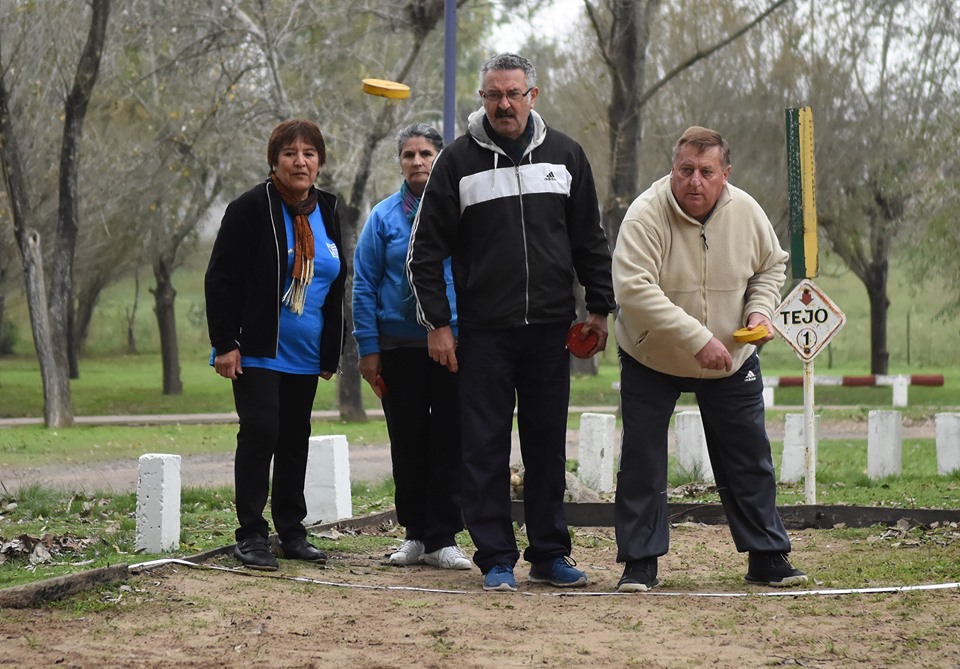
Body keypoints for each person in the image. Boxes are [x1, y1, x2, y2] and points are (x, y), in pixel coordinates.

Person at [407, 53, 616, 591]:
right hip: (484, 334)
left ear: (532, 96)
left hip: (551, 329)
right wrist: (438, 323)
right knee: (484, 447)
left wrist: (598, 309)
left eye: (513, 94)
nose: (504, 104)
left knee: (546, 445)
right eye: (493, 94)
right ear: (483, 99)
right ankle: (496, 557)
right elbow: (424, 252)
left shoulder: (566, 155)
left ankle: (549, 555)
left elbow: (590, 241)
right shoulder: (456, 162)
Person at [611, 125, 807, 592]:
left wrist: (760, 309)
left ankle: (767, 556)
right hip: (651, 354)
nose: (694, 181)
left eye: (706, 171)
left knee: (749, 457)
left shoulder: (747, 211)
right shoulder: (644, 215)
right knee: (642, 459)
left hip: (731, 357)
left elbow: (770, 264)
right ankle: (640, 562)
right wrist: (698, 338)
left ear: (725, 174)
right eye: (685, 170)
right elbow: (634, 291)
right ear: (672, 170)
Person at [205, 119, 346, 571]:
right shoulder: (250, 207)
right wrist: (225, 343)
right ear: (274, 161)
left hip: (305, 354)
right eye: (289, 153)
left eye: (308, 153)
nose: (299, 161)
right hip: (258, 348)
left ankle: (292, 531)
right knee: (262, 430)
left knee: (294, 440)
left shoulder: (328, 209)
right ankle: (250, 535)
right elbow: (221, 279)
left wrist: (330, 349)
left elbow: (335, 282)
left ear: (319, 162)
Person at [352, 123, 470, 571]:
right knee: (407, 440)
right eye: (408, 155)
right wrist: (368, 347)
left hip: (454, 342)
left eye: (426, 153)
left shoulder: (461, 211)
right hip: (398, 346)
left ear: (440, 158)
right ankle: (415, 534)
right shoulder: (382, 217)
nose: (417, 162)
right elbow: (364, 284)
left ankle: (444, 537)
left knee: (450, 438)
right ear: (399, 162)